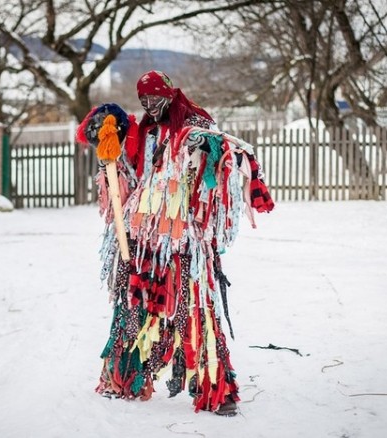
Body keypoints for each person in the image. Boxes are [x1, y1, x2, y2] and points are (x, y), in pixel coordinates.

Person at [77, 70, 274, 416]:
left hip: (185, 241)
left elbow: (229, 154)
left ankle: (215, 388)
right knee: (131, 306)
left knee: (196, 311)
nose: (150, 106)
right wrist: (107, 143)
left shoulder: (194, 123)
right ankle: (125, 377)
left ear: (169, 93)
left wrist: (206, 149)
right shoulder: (143, 131)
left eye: (155, 98)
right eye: (143, 101)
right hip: (142, 237)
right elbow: (130, 171)